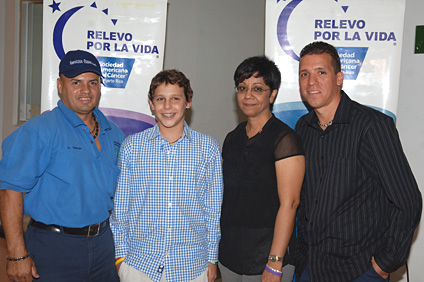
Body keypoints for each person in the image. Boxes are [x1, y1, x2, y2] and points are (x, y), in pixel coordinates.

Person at [295, 41, 422, 282]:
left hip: (358, 270)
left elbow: (408, 201)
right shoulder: (303, 128)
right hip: (311, 267)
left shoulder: (371, 126)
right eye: (305, 74)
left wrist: (384, 264)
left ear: (339, 78)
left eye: (321, 72)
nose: (311, 82)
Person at [0, 50, 125, 282]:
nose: (85, 90)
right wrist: (16, 254)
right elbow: (10, 192)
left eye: (92, 82)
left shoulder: (115, 134)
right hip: (53, 247)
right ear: (60, 85)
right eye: (75, 82)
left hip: (103, 245)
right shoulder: (38, 131)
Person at [110, 69, 223, 282]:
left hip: (192, 266)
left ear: (188, 102)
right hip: (139, 265)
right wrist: (120, 258)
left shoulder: (208, 149)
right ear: (151, 104)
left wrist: (212, 259)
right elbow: (121, 208)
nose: (167, 106)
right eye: (160, 99)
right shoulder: (132, 147)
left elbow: (212, 210)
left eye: (175, 99)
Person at [218, 56, 305, 282]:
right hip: (229, 258)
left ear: (272, 94)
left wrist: (275, 262)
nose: (248, 96)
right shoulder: (232, 138)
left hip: (267, 260)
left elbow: (290, 203)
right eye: (242, 88)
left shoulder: (285, 140)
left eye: (257, 89)